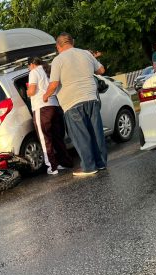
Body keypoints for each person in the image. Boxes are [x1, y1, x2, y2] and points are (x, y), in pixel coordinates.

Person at [43, 32, 107, 176]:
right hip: (91, 98)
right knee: (96, 133)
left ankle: (89, 167)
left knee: (81, 136)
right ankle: (101, 163)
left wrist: (45, 96)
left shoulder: (58, 60)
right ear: (73, 42)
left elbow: (54, 84)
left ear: (58, 46)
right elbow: (101, 70)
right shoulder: (85, 53)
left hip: (72, 102)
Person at [26, 56, 73, 175]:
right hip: (55, 106)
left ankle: (52, 167)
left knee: (45, 138)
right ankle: (65, 162)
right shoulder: (48, 70)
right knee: (57, 137)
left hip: (42, 107)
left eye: (28, 66)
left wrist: (27, 92)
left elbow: (32, 91)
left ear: (31, 64)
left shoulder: (34, 72)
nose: (28, 69)